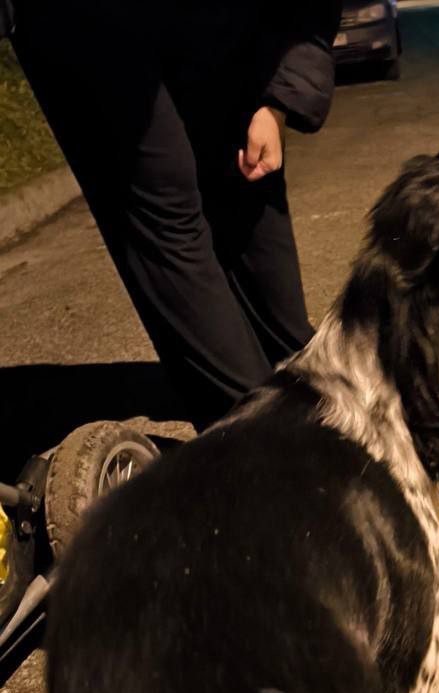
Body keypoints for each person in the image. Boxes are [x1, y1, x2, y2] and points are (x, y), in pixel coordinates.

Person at [11, 0, 342, 427]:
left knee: (248, 188)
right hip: (82, 23)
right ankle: (258, 434)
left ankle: (310, 396)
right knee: (165, 209)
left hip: (220, 28)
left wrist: (277, 102)